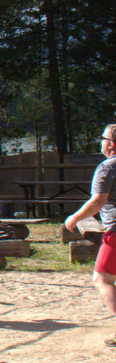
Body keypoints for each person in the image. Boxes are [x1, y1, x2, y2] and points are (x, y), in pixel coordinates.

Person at [64, 123, 116, 347]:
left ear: (111, 143)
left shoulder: (108, 167)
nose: (101, 142)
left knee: (102, 279)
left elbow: (97, 201)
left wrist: (73, 218)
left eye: (102, 138)